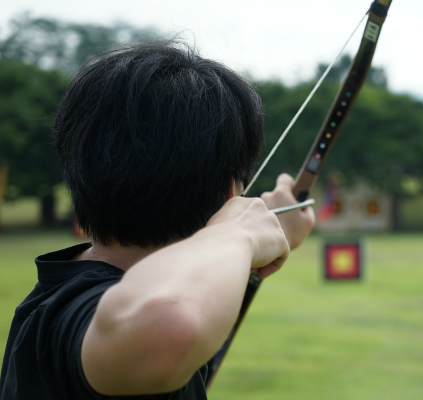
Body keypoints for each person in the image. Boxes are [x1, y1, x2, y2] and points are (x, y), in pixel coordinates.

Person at [0, 42, 315, 399]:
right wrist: (239, 235)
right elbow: (171, 320)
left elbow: (191, 295)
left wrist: (262, 241)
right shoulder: (79, 312)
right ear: (231, 194)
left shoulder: (59, 296)